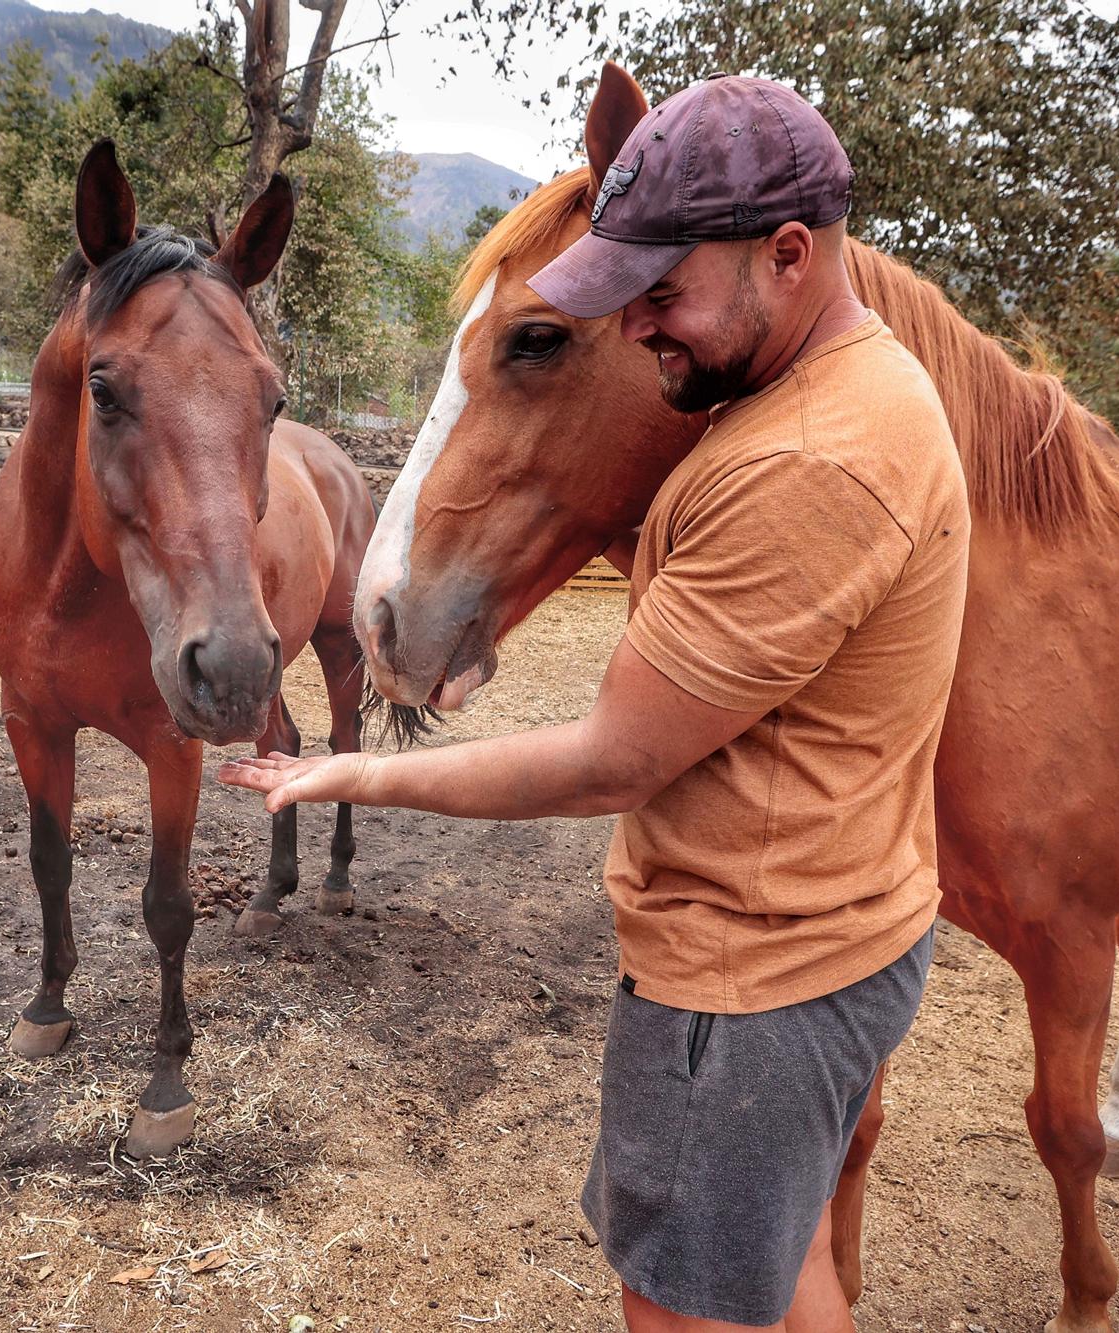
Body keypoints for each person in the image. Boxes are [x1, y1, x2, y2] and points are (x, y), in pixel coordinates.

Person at [219, 75, 968, 1333]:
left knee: (680, 1305)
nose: (640, 330)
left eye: (659, 296)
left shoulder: (804, 463)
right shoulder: (846, 393)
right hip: (830, 933)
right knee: (782, 1265)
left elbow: (611, 761)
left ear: (785, 257)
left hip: (748, 981)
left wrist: (350, 774)